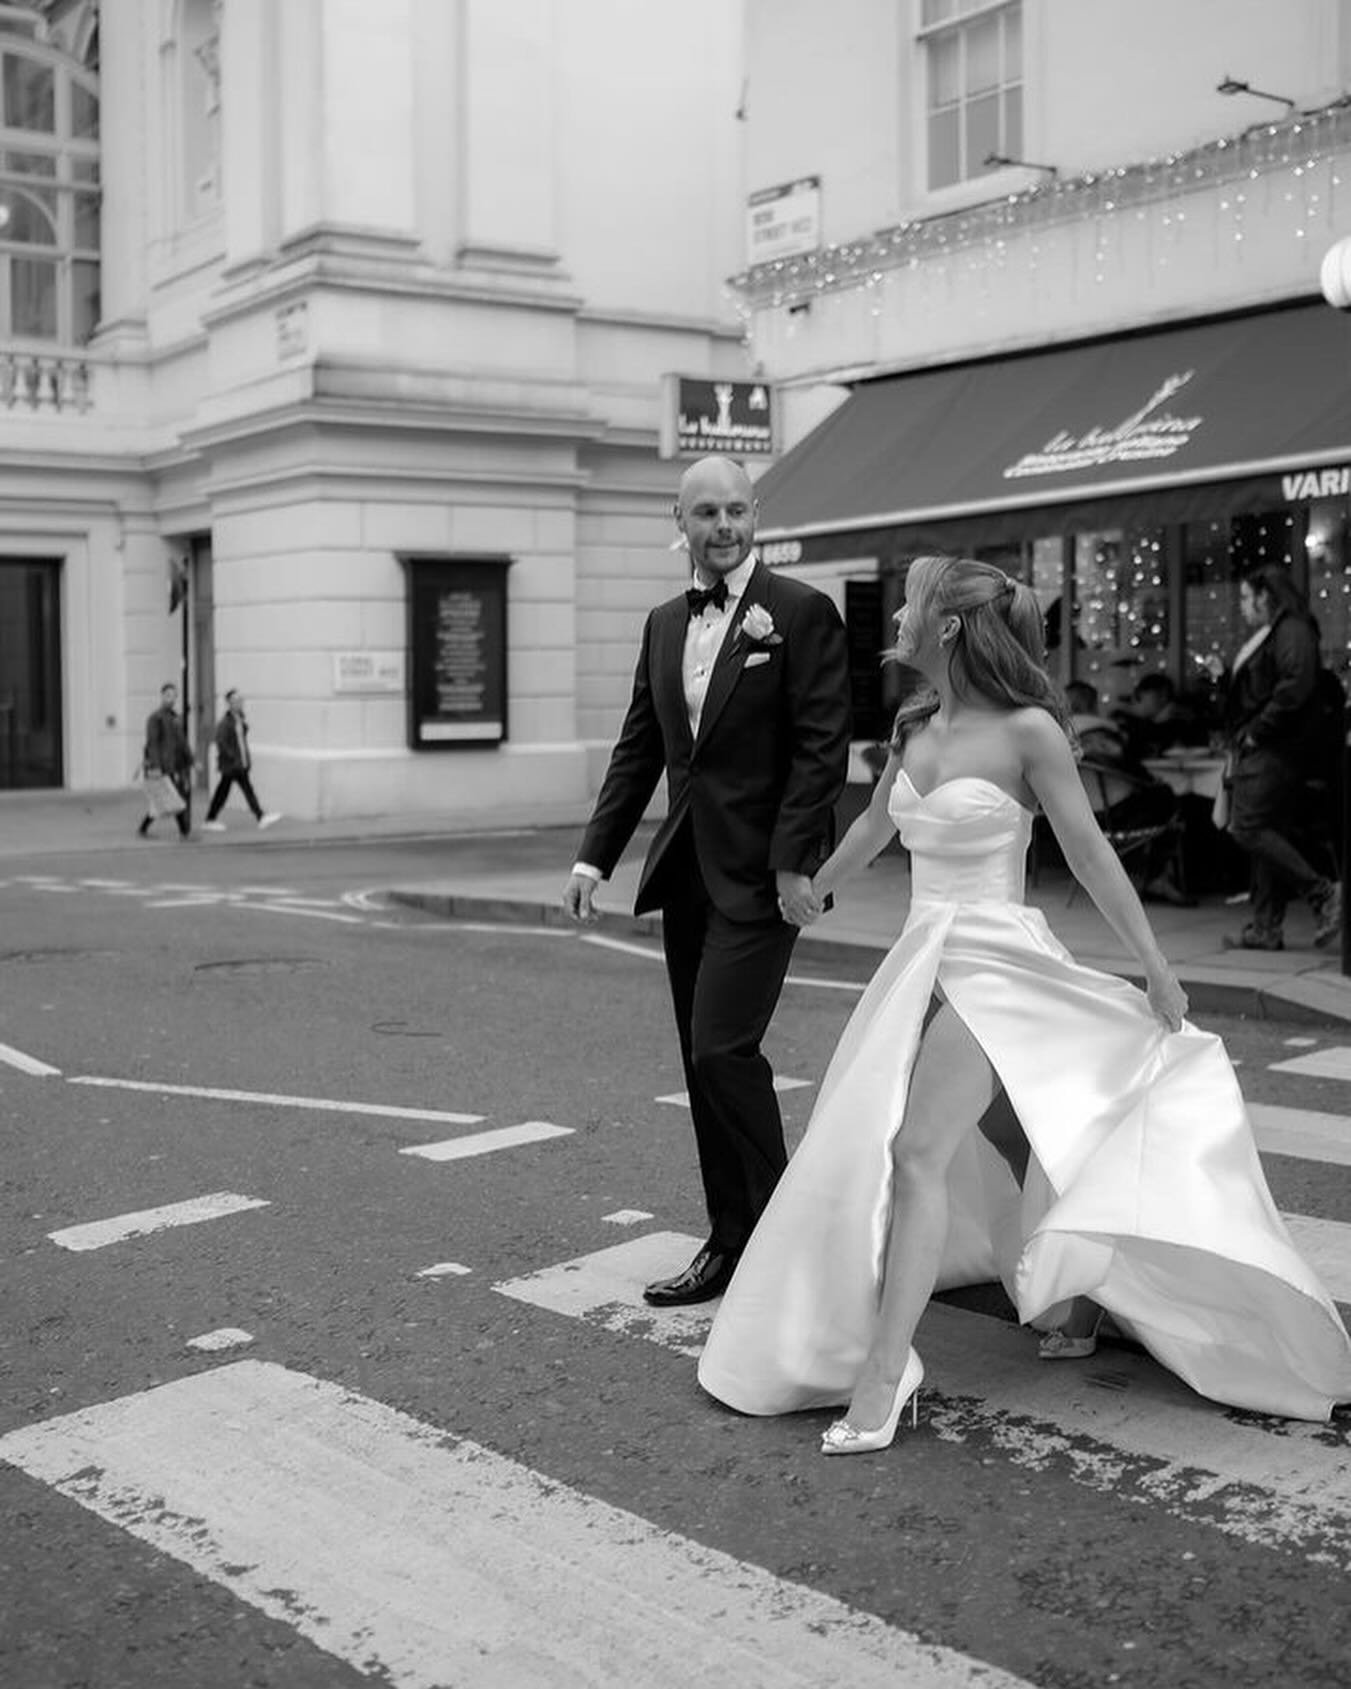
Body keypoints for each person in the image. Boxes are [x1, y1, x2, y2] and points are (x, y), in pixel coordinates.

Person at [697, 554, 1351, 1450]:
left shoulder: (1029, 731)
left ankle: (884, 1376)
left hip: (994, 964)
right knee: (1014, 1133)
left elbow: (1088, 854)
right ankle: (1079, 1297)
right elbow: (876, 822)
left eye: (910, 606)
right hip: (921, 961)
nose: (893, 617)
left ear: (952, 628)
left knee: (916, 1149)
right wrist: (812, 887)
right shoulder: (912, 725)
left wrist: (1155, 964)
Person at [562, 454, 851, 1308]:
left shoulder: (801, 614)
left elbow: (819, 747)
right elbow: (639, 749)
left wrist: (797, 858)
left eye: (735, 511)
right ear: (678, 523)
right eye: (705, 514)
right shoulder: (660, 623)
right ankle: (731, 1239)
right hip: (686, 873)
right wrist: (593, 857)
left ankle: (788, 1236)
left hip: (763, 879)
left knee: (723, 1048)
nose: (723, 527)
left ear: (754, 515)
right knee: (701, 1064)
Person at [1215, 566, 1340, 951]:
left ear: (1266, 596)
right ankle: (1266, 927)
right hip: (1271, 746)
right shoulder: (1280, 633)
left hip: (1273, 749)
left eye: (1247, 598)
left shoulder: (1292, 630)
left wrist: (1256, 731)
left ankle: (1324, 894)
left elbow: (1293, 687)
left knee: (1247, 828)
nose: (1243, 607)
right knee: (1266, 831)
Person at [201, 689, 281, 831]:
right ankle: (260, 816)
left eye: (240, 701)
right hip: (232, 766)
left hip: (239, 764)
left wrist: (245, 761)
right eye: (235, 701)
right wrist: (234, 758)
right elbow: (222, 743)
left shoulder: (239, 720)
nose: (239, 703)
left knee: (228, 791)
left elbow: (241, 742)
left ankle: (211, 818)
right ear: (229, 704)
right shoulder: (225, 723)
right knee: (237, 791)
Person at [136, 682, 194, 840]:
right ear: (162, 696)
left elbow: (182, 742)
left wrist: (191, 760)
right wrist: (156, 766)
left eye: (174, 696)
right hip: (163, 765)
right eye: (168, 695)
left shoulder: (175, 718)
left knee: (162, 801)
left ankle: (143, 828)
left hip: (174, 764)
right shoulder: (156, 718)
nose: (171, 699)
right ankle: (185, 832)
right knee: (175, 799)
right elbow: (152, 743)